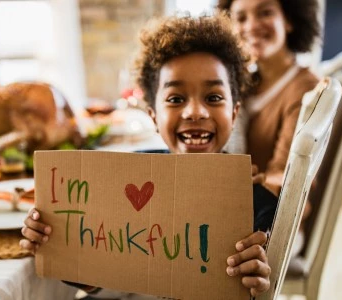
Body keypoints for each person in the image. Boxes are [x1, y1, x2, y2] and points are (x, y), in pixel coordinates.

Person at [20, 14, 278, 299]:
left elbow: (265, 281)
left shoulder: (259, 207)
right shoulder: (123, 181)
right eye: (176, 99)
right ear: (153, 116)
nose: (195, 112)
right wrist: (67, 250)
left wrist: (260, 273)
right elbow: (113, 280)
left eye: (213, 97)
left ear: (234, 112)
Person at [217, 0, 320, 196]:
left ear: (288, 20)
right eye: (240, 18)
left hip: (267, 218)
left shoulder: (307, 91)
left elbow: (285, 177)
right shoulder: (244, 82)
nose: (251, 26)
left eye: (265, 13)